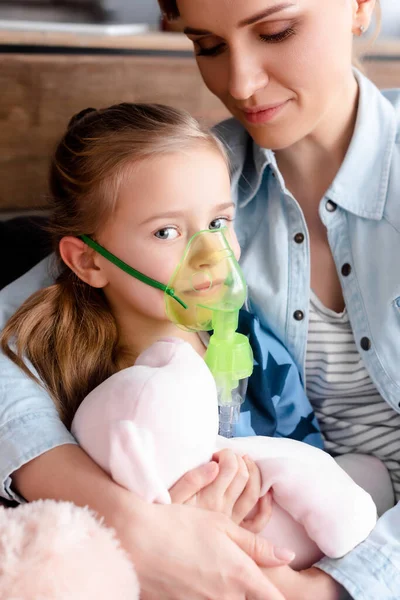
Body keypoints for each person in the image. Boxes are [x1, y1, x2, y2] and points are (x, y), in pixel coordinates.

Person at [0, 0, 399, 597]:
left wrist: (322, 588)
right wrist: (135, 524)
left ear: (362, 7)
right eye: (207, 45)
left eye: (276, 31)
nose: (239, 83)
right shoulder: (186, 174)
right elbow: (9, 344)